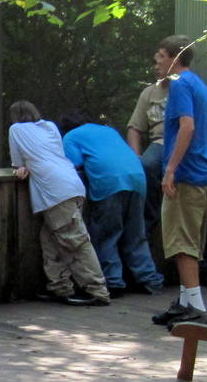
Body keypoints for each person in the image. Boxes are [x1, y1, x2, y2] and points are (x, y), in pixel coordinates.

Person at [7, 100, 110, 306]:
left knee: (75, 241)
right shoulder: (50, 126)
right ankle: (59, 287)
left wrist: (23, 166)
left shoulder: (16, 129)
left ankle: (97, 290)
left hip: (54, 191)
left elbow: (17, 163)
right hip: (71, 182)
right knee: (50, 239)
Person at [149, 34, 207, 329]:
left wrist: (170, 169)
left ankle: (197, 309)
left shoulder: (179, 85)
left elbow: (186, 127)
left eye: (160, 57)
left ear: (175, 58)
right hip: (202, 173)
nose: (156, 63)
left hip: (186, 175)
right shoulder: (200, 86)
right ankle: (185, 303)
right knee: (186, 240)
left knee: (182, 242)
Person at [58, 112, 165, 297]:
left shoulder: (71, 136)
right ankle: (150, 280)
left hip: (109, 183)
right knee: (135, 234)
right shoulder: (108, 130)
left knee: (107, 234)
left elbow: (73, 165)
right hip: (137, 178)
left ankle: (114, 281)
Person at [125, 48, 172, 235]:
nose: (156, 66)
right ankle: (145, 225)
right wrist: (135, 156)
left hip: (176, 140)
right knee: (144, 165)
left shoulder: (183, 88)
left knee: (149, 164)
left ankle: (149, 221)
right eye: (155, 63)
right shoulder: (149, 93)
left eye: (160, 61)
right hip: (159, 141)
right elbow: (134, 128)